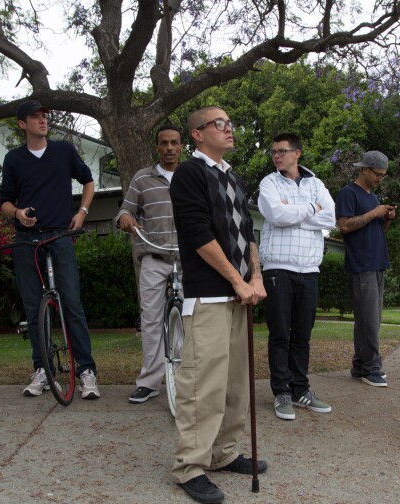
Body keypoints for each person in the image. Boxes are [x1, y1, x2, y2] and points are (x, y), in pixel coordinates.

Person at [169, 106, 267, 504]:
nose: (229, 130)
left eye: (230, 124)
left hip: (240, 293)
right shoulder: (190, 174)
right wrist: (235, 279)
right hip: (209, 295)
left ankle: (223, 453)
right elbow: (197, 233)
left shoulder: (231, 175)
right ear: (197, 134)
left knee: (235, 385)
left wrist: (255, 276)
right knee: (202, 386)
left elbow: (248, 232)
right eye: (219, 124)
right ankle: (189, 466)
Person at [0, 100, 100, 399]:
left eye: (45, 116)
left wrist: (82, 212)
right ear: (22, 124)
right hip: (27, 241)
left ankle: (86, 372)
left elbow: (88, 181)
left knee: (72, 303)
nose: (42, 120)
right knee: (34, 309)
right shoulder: (14, 159)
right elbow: (4, 202)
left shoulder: (64, 151)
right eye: (35, 117)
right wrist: (18, 214)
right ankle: (42, 368)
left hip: (60, 236)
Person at [258, 132, 335, 421]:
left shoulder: (316, 184)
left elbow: (330, 217)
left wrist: (296, 213)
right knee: (280, 335)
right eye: (274, 151)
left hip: (310, 270)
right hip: (278, 269)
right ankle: (282, 392)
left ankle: (301, 389)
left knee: (302, 336)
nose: (276, 156)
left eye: (282, 151)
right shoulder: (268, 183)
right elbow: (277, 216)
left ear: (297, 153)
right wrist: (311, 210)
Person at [114, 125, 182, 404]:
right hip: (153, 257)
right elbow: (125, 210)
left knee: (191, 319)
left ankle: (186, 380)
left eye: (174, 143)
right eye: (164, 143)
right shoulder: (142, 178)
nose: (169, 148)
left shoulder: (192, 176)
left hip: (188, 259)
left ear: (181, 146)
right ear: (157, 147)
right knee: (152, 320)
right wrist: (124, 219)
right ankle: (150, 382)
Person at [336, 151, 396, 388]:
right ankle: (372, 369)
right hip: (361, 265)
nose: (381, 178)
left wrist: (387, 217)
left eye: (383, 175)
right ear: (365, 169)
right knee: (370, 320)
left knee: (367, 320)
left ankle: (360, 365)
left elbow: (376, 230)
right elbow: (344, 226)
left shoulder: (373, 198)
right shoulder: (348, 193)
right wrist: (374, 213)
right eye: (378, 174)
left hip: (377, 263)